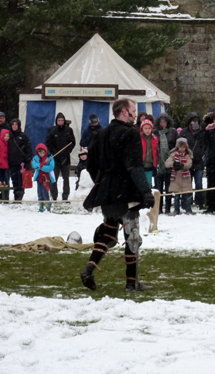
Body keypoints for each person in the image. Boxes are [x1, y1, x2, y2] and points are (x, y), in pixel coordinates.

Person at [81, 98, 155, 292]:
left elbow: (91, 165)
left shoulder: (101, 134)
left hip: (108, 190)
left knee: (108, 233)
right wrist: (146, 192)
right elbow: (134, 166)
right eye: (133, 110)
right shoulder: (130, 134)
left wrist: (103, 181)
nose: (135, 114)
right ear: (124, 113)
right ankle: (131, 282)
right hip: (126, 191)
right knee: (133, 236)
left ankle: (89, 269)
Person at [179, 112, 206, 209]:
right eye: (193, 121)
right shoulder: (184, 132)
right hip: (187, 162)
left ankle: (200, 202)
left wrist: (201, 154)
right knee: (187, 184)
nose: (195, 123)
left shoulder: (201, 131)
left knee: (199, 183)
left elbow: (204, 144)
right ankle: (187, 202)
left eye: (197, 121)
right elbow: (180, 146)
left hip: (199, 162)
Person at [45, 113, 75, 201]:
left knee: (66, 179)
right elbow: (48, 143)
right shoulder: (52, 130)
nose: (60, 122)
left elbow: (72, 142)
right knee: (53, 179)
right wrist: (54, 152)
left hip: (65, 159)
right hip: (55, 159)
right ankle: (54, 196)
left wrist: (67, 151)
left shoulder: (69, 130)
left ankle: (65, 196)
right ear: (56, 121)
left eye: (62, 120)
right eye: (59, 120)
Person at [153, 113, 177, 214]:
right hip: (158, 162)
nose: (163, 123)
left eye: (165, 121)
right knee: (158, 188)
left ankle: (167, 207)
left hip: (169, 161)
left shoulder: (173, 132)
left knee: (168, 187)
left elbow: (176, 146)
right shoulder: (155, 132)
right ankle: (158, 208)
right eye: (161, 122)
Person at [165, 137, 193, 215]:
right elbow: (167, 163)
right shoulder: (173, 154)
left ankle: (188, 209)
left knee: (187, 195)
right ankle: (176, 210)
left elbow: (189, 164)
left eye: (183, 147)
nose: (182, 149)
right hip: (176, 178)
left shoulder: (188, 155)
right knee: (176, 196)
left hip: (185, 178)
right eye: (180, 147)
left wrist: (182, 165)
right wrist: (173, 164)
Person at [8, 118, 33, 201]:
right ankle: (15, 195)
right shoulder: (9, 136)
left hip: (21, 163)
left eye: (16, 124)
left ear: (19, 126)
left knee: (21, 180)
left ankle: (19, 196)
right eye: (13, 124)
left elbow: (29, 148)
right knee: (14, 180)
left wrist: (28, 160)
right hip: (12, 162)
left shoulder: (23, 136)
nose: (14, 126)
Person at [32, 143, 55, 212]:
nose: (41, 154)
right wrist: (39, 165)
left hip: (46, 178)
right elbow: (35, 165)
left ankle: (48, 206)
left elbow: (50, 167)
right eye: (40, 152)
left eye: (43, 152)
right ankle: (41, 206)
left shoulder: (49, 157)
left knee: (45, 192)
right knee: (39, 192)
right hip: (39, 178)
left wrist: (42, 167)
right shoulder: (36, 158)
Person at [140, 119, 158, 187]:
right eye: (145, 128)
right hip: (141, 165)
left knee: (148, 184)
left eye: (149, 128)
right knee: (141, 185)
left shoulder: (154, 138)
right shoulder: (139, 138)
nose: (147, 130)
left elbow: (156, 151)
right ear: (142, 129)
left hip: (150, 165)